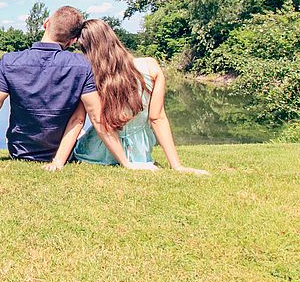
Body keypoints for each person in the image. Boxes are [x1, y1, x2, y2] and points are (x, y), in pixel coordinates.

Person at [0, 6, 151, 169]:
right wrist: (126, 163)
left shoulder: (10, 61)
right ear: (72, 41)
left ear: (46, 23)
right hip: (62, 154)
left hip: (19, 152)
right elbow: (93, 118)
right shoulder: (81, 66)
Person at [43, 18, 209, 175]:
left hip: (96, 153)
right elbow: (157, 119)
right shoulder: (151, 66)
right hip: (138, 154)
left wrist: (58, 161)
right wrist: (177, 166)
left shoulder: (90, 75)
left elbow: (79, 120)